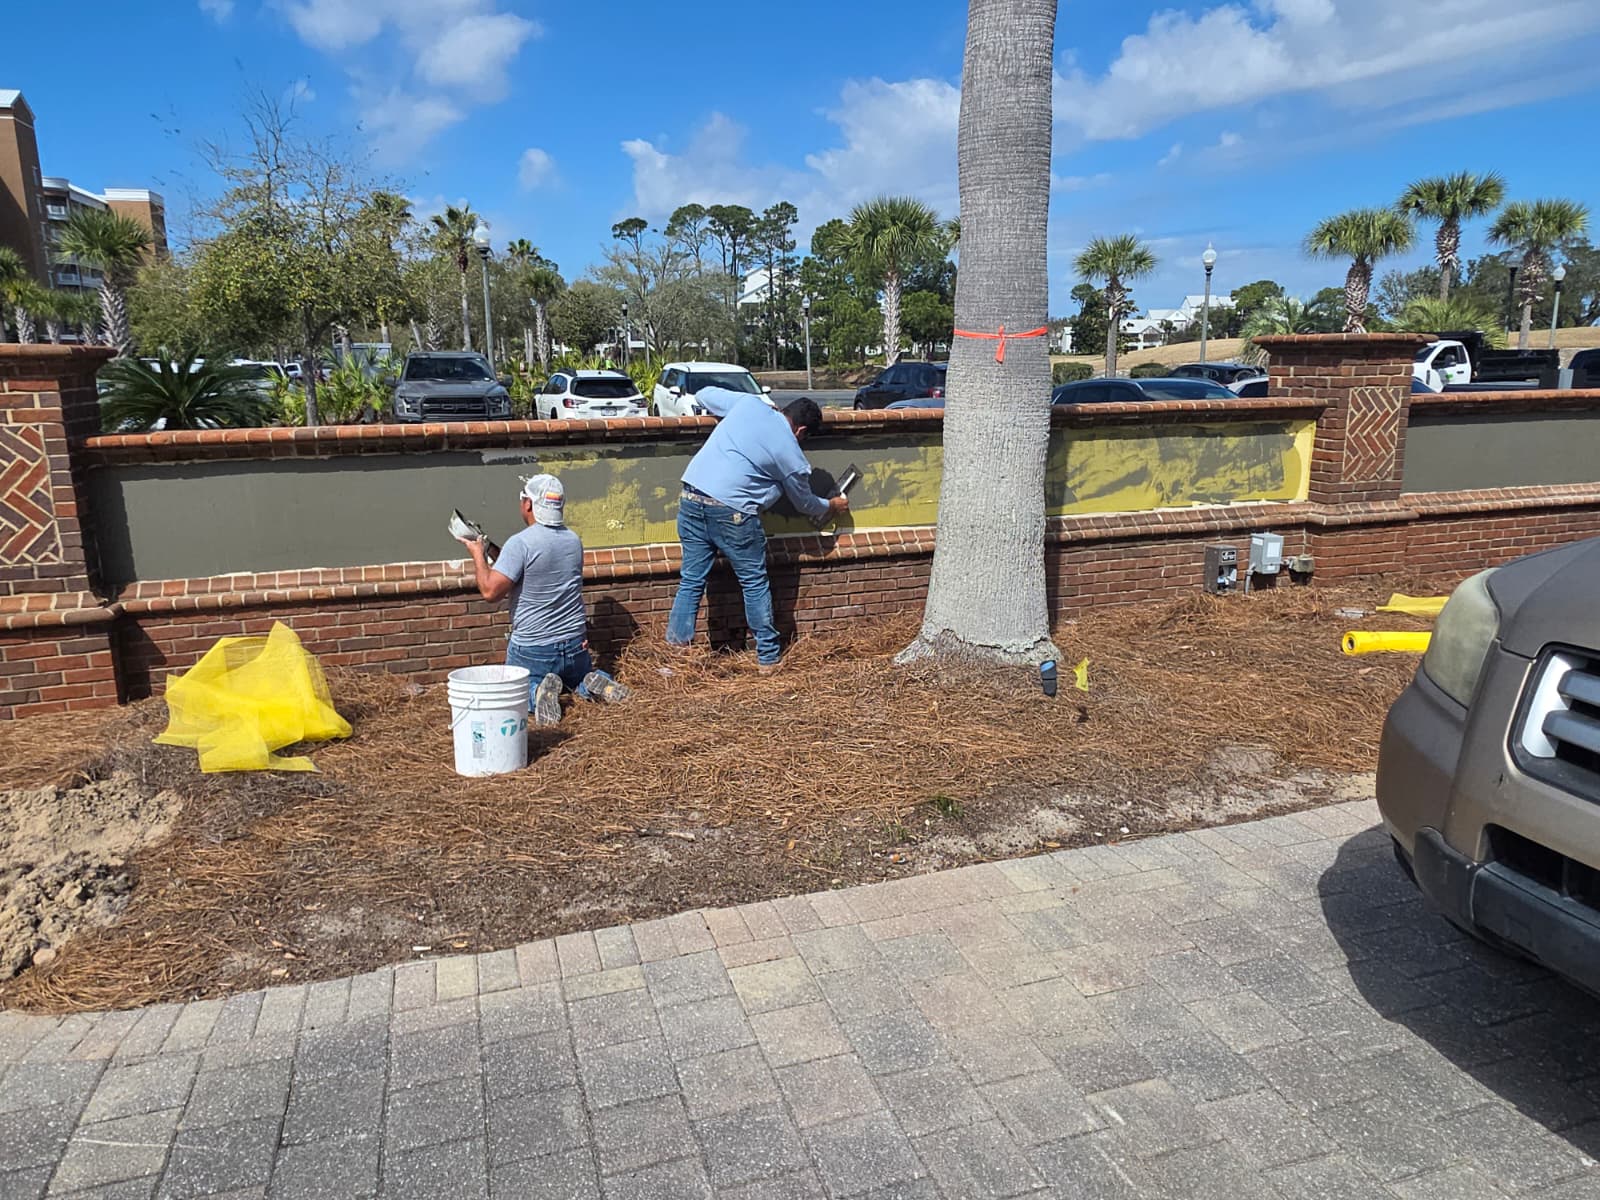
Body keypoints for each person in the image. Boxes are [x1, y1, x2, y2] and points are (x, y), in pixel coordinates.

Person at [667, 391, 849, 671]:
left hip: (691, 497)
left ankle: (675, 659)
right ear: (800, 430)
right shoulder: (792, 456)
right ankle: (767, 658)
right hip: (733, 512)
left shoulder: (749, 404)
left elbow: (704, 395)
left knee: (691, 581)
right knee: (753, 583)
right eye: (804, 437)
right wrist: (832, 504)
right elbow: (805, 504)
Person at [457, 474, 627, 726]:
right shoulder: (572, 540)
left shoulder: (521, 543)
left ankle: (536, 693)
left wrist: (476, 555)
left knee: (513, 690)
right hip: (574, 646)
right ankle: (590, 683)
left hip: (533, 649)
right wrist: (490, 548)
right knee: (575, 681)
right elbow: (530, 563)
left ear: (528, 504)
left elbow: (491, 592)